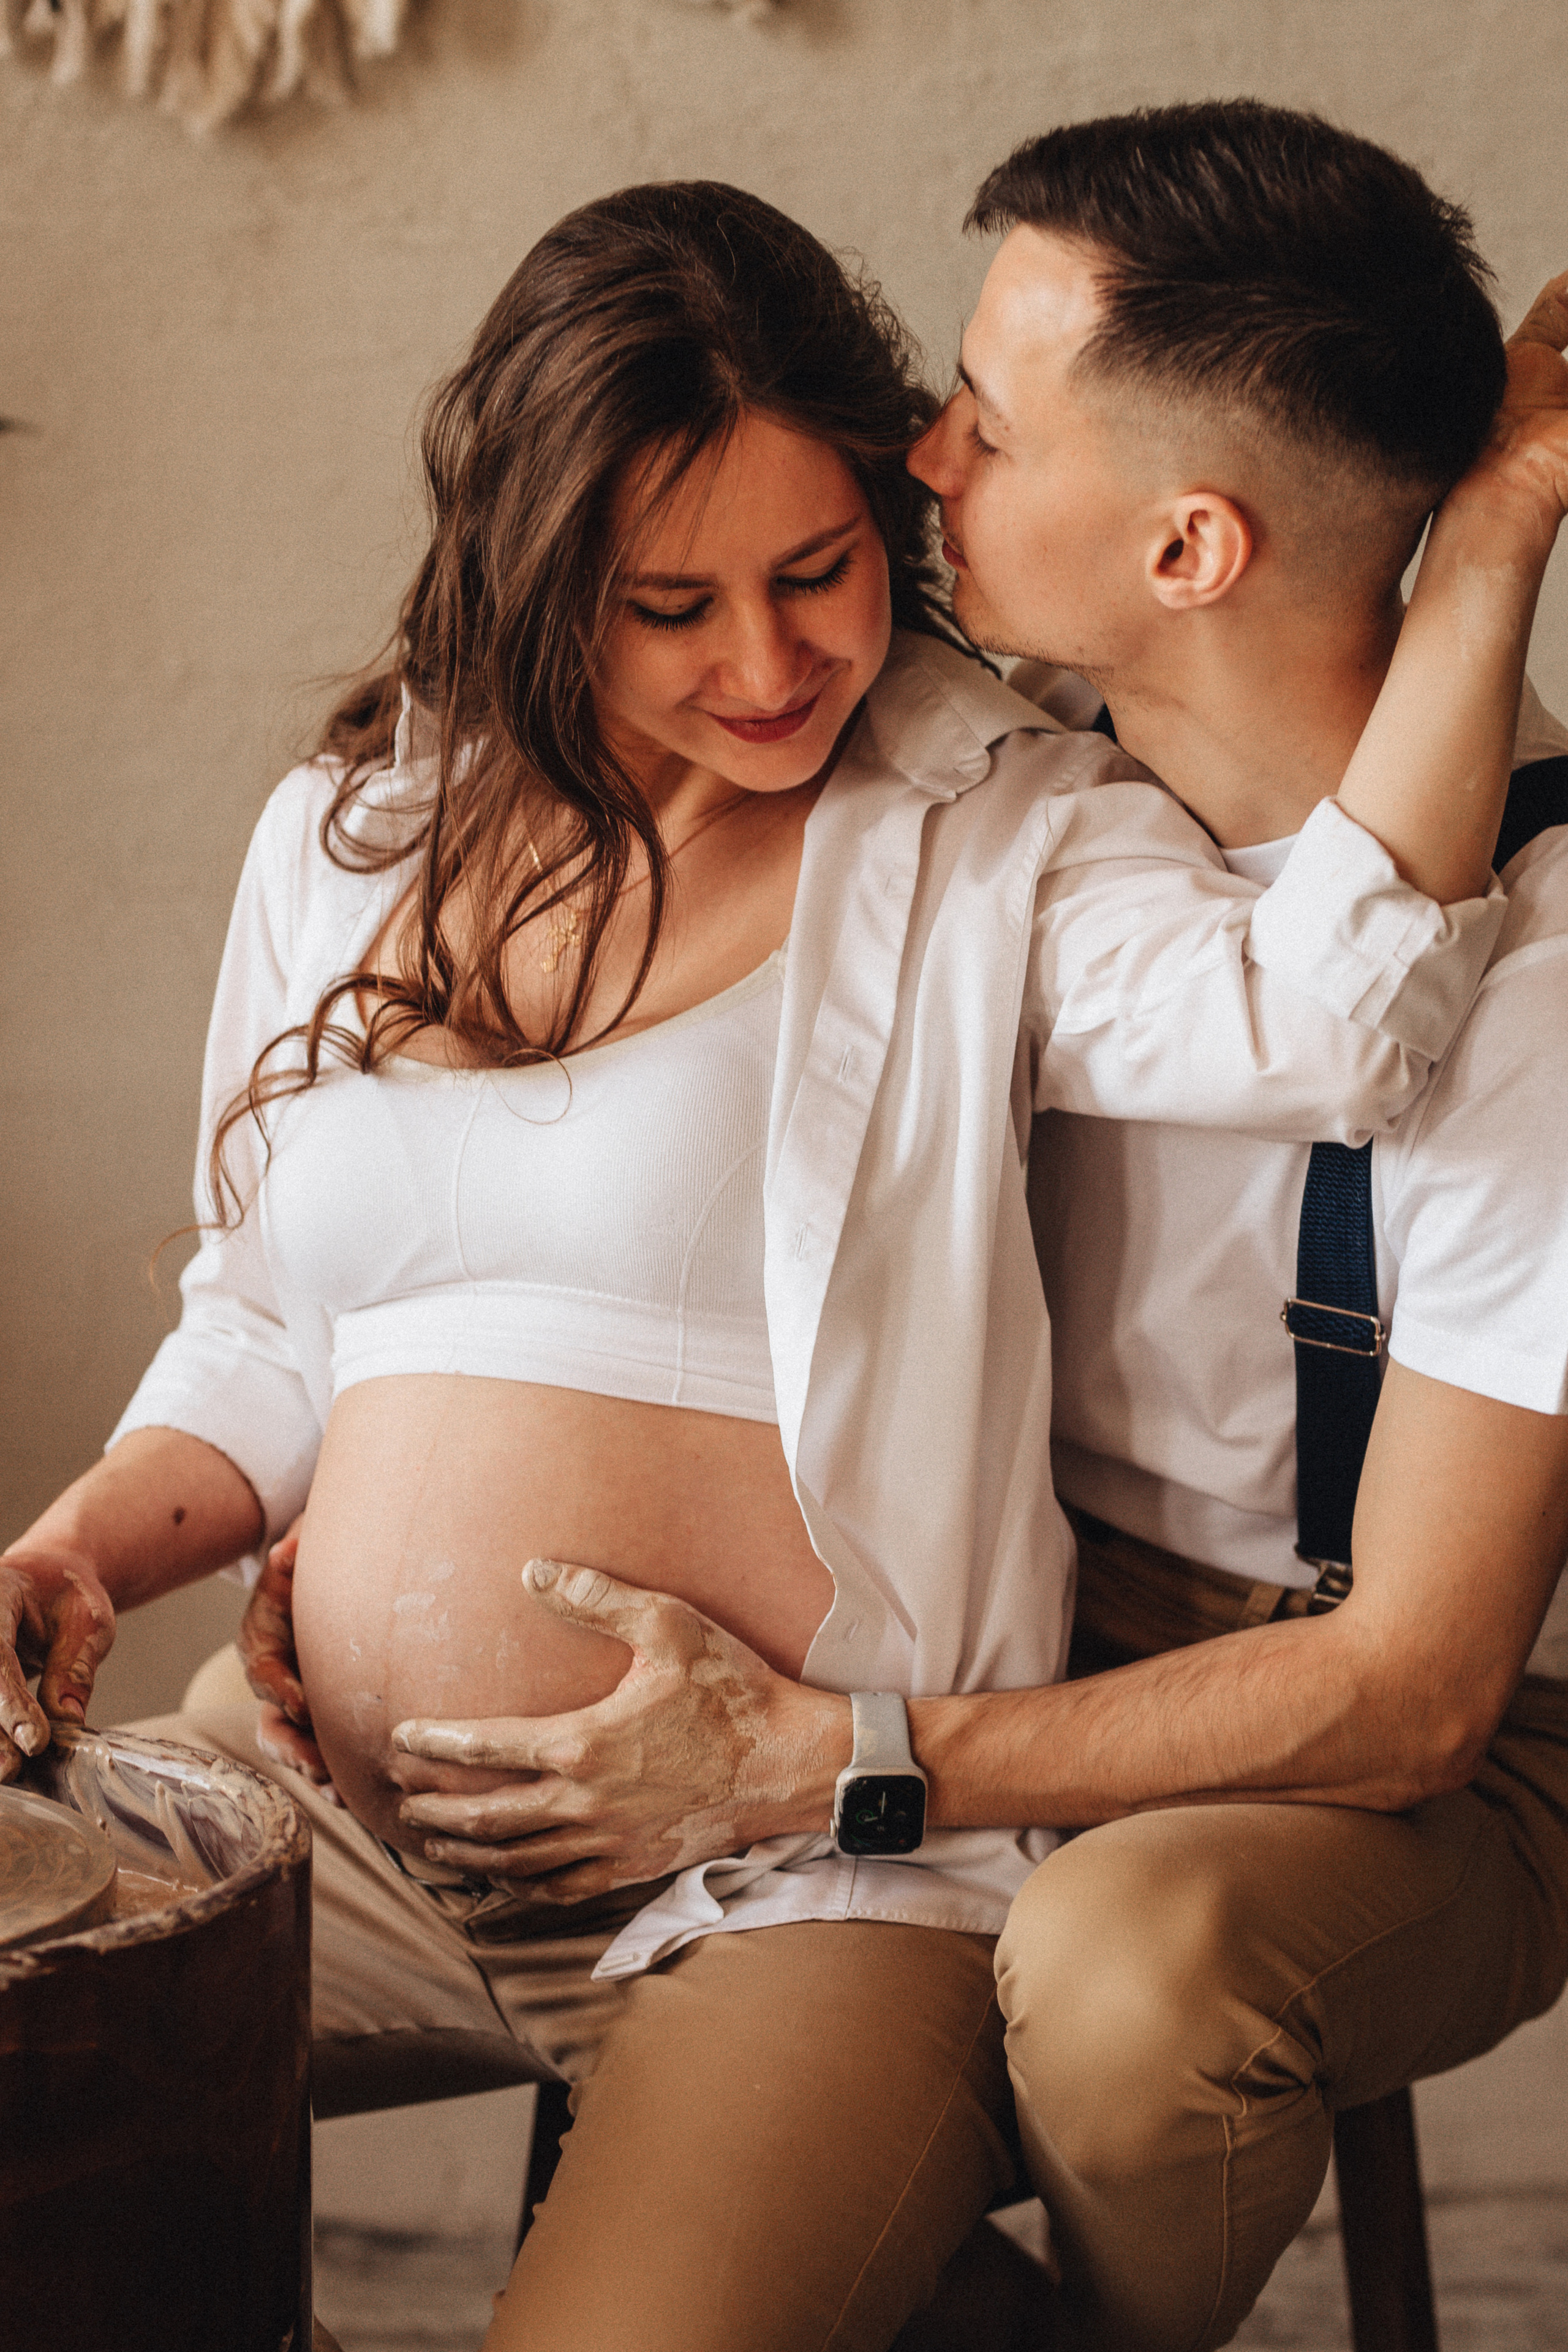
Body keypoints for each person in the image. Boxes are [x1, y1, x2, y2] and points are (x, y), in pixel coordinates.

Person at [0, 172, 1550, 2352]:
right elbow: (261, 1328)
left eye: (819, 574)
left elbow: (1341, 1011)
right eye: (669, 604)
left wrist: (1484, 548)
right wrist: (85, 1542)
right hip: (349, 1830)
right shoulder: (350, 832)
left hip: (786, 1878)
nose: (766, 663)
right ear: (547, 586)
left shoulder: (989, 822)